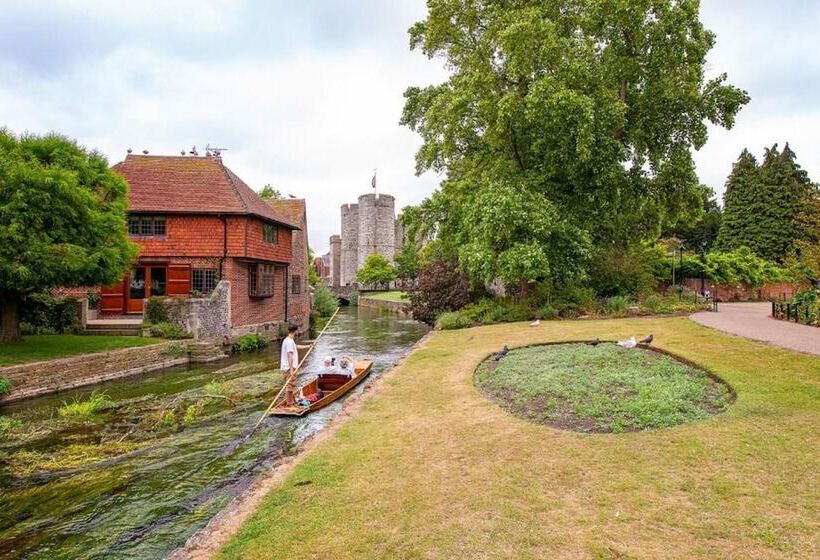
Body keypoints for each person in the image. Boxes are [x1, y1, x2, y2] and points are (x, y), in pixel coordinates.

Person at [280, 324, 299, 405]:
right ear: (295, 331)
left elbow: (295, 347)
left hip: (285, 367)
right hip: (289, 367)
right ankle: (289, 403)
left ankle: (290, 401)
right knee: (290, 385)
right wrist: (291, 370)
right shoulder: (289, 341)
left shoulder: (287, 340)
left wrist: (308, 346)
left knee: (289, 385)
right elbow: (289, 355)